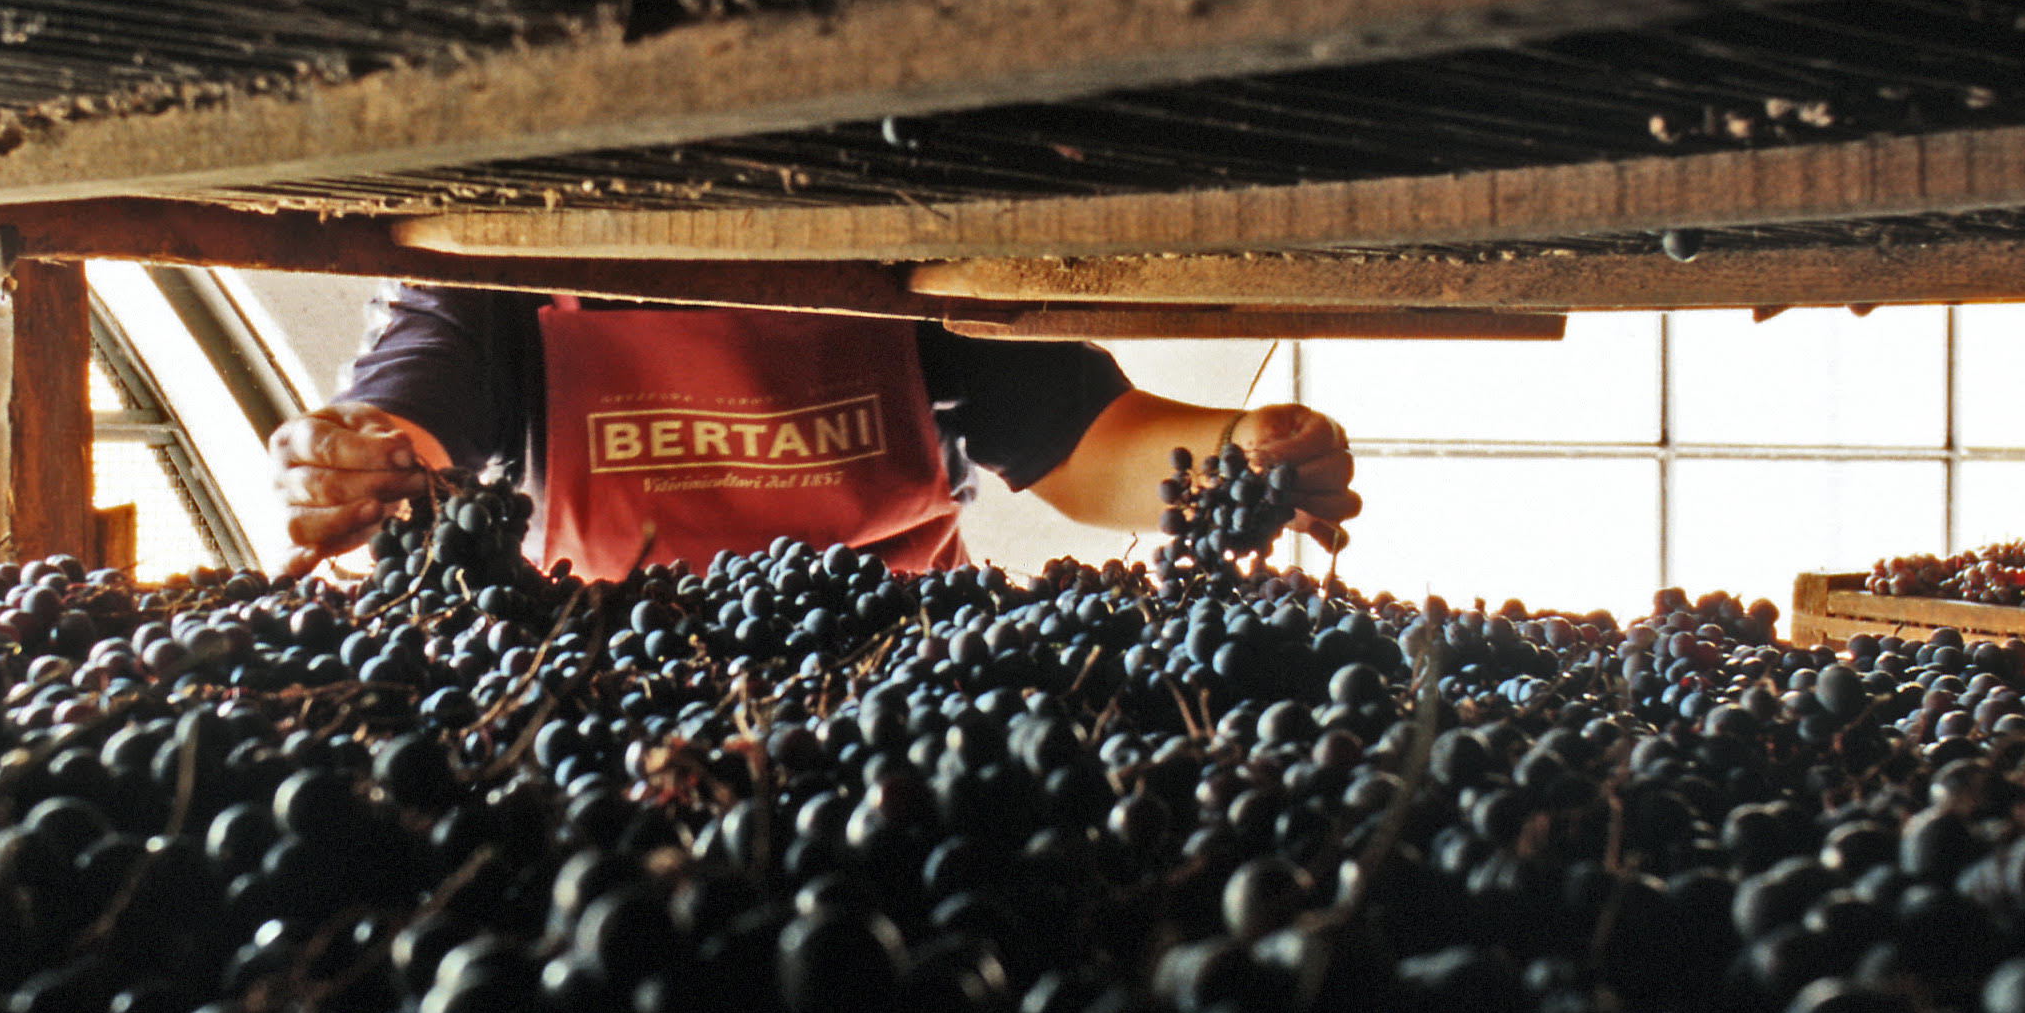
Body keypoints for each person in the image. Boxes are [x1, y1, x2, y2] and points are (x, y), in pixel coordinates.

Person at [268, 285, 1359, 577]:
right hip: (609, 704)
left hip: (908, 683)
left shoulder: (896, 242)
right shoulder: (494, 261)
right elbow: (405, 414)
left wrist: (1238, 453)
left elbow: (1085, 443)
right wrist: (354, 461)